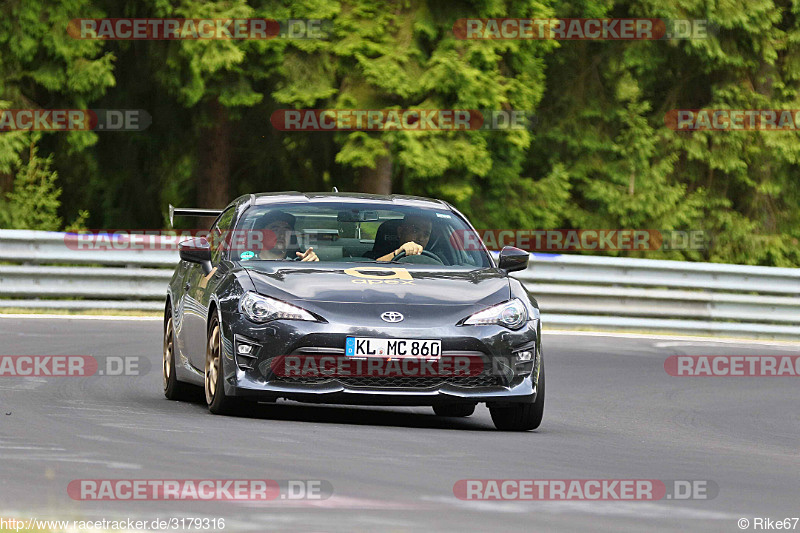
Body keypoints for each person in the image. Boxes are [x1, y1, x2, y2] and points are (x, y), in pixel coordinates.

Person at [253, 210, 318, 261]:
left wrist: (312, 265)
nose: (282, 234)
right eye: (275, 229)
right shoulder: (246, 264)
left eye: (286, 230)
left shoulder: (300, 262)